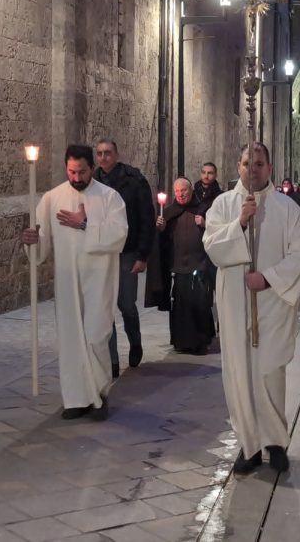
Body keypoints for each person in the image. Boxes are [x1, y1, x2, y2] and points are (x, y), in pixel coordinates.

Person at [203, 142, 300, 475]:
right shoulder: (223, 205)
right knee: (239, 374)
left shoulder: (287, 208)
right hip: (236, 303)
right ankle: (248, 445)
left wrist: (267, 278)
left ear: (270, 168)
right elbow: (212, 246)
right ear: (238, 166)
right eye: (248, 163)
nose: (253, 169)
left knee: (269, 373)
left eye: (260, 163)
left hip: (273, 302)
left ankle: (276, 442)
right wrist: (239, 223)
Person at [21, 145, 128, 421]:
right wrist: (31, 242)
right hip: (67, 280)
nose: (76, 177)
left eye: (81, 171)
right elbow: (41, 243)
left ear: (91, 168)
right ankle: (76, 399)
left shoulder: (109, 198)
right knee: (70, 338)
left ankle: (99, 394)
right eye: (71, 171)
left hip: (99, 279)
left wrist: (85, 224)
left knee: (95, 336)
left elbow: (119, 235)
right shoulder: (51, 198)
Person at [93, 139, 156, 378]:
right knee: (106, 307)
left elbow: (146, 218)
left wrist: (143, 255)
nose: (103, 158)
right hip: (103, 253)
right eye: (99, 154)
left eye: (108, 153)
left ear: (116, 154)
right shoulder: (93, 181)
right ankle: (112, 360)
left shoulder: (133, 180)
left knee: (126, 304)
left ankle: (135, 342)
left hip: (128, 252)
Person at [152, 178, 215, 354]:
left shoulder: (202, 210)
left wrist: (204, 224)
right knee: (180, 307)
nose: (181, 195)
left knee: (200, 305)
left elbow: (215, 232)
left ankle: (200, 341)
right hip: (179, 267)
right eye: (177, 192)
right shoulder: (170, 213)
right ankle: (181, 341)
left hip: (199, 265)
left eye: (184, 191)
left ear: (191, 190)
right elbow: (163, 244)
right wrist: (161, 229)